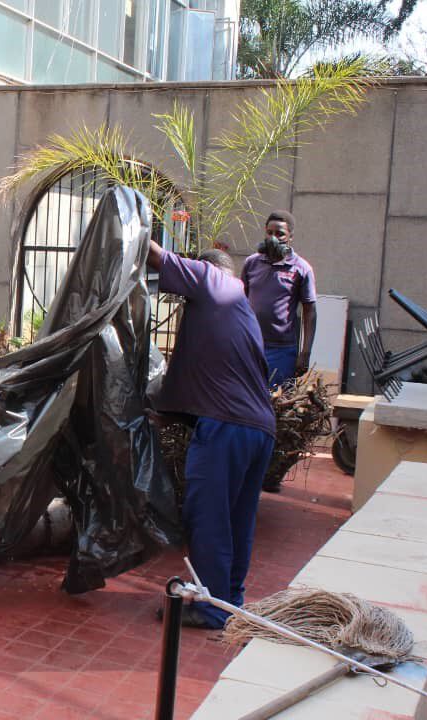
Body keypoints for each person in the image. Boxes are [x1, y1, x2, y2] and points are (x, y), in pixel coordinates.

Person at [147, 241, 276, 629]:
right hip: (257, 430)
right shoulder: (237, 309)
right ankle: (228, 602)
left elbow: (155, 255)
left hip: (225, 429)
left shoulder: (215, 281)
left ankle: (208, 607)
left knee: (209, 518)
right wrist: (166, 417)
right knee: (237, 521)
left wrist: (125, 208)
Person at [240, 210, 317, 388]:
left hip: (281, 350)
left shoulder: (301, 268)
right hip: (251, 345)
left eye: (280, 234)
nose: (273, 238)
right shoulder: (251, 263)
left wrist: (305, 352)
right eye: (270, 233)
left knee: (276, 402)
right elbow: (240, 302)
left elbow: (309, 312)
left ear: (290, 237)